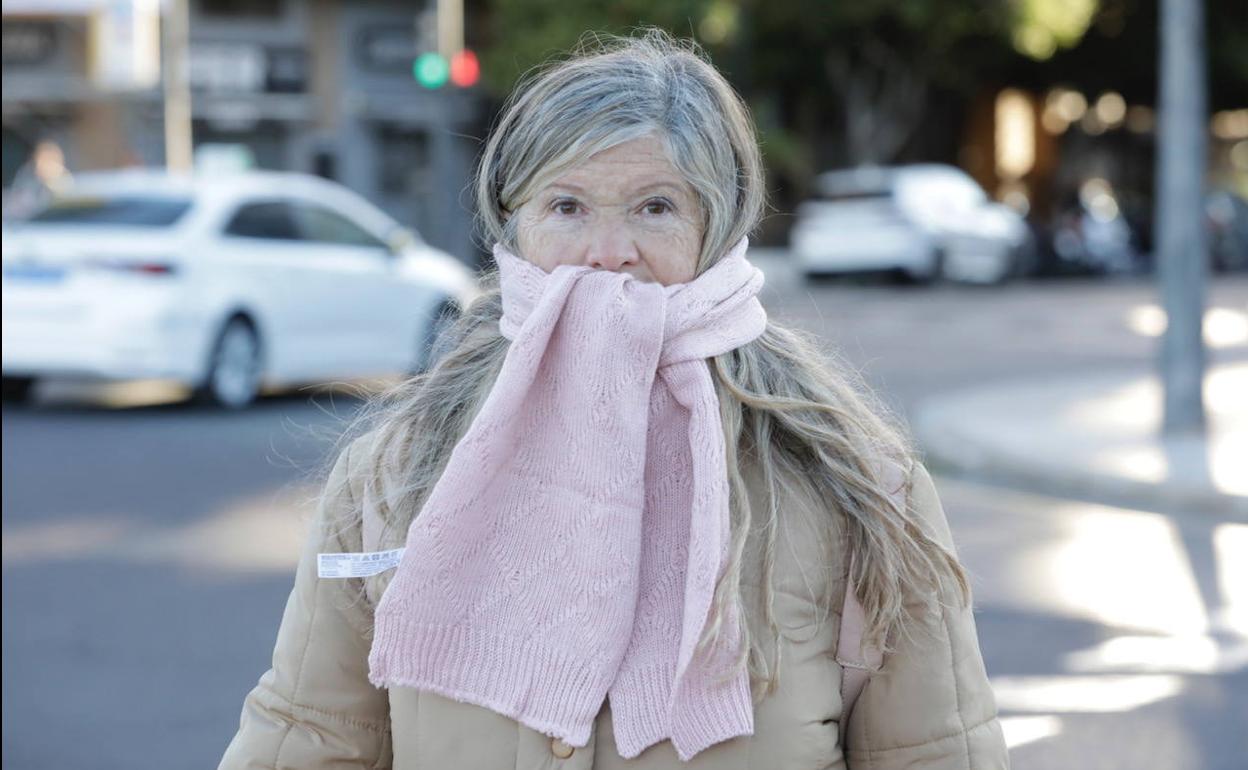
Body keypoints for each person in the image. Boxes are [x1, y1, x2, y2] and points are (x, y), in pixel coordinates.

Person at [219, 29, 1008, 770]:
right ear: (514, 227)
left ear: (719, 226)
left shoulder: (857, 483)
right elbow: (309, 734)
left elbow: (933, 751)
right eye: (566, 207)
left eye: (655, 207)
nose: (606, 255)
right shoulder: (395, 473)